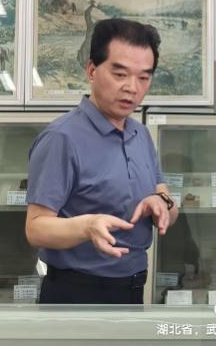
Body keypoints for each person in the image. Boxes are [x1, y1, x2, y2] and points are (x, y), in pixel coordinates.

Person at [26, 18, 178, 304]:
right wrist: (88, 226)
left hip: (133, 286)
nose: (132, 88)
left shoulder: (140, 134)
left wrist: (162, 203)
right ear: (92, 70)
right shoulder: (62, 138)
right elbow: (35, 228)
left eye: (143, 77)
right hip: (77, 291)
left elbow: (166, 199)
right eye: (120, 74)